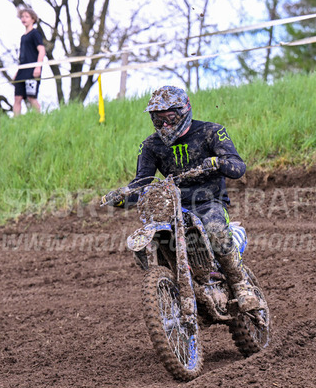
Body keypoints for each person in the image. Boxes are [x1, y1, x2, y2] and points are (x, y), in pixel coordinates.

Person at [103, 86, 259, 312]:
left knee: (215, 228)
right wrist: (120, 197)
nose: (164, 125)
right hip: (171, 207)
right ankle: (171, 287)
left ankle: (240, 284)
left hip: (209, 202)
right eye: (158, 120)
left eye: (169, 118)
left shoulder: (211, 132)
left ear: (184, 111)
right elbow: (142, 183)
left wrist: (218, 162)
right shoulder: (150, 145)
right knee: (146, 242)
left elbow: (238, 167)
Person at [13, 7, 45, 116]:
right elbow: (22, 56)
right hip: (22, 70)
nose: (24, 19)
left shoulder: (35, 33)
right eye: (22, 16)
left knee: (31, 97)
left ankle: (39, 118)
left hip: (32, 70)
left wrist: (38, 67)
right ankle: (16, 121)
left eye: (27, 17)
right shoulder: (23, 37)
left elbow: (42, 50)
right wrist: (18, 71)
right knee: (17, 97)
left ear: (33, 19)